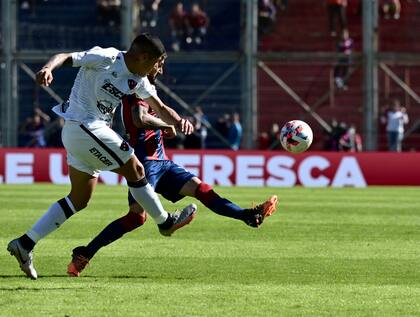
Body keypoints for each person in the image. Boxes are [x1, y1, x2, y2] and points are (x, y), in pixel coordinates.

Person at [7, 33, 197, 280]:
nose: (157, 68)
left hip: (82, 135)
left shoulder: (138, 79)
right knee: (136, 169)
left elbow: (160, 107)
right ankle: (165, 222)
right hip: (84, 125)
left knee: (79, 198)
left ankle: (25, 243)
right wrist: (47, 68)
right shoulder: (106, 57)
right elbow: (65, 56)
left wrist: (179, 121)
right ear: (143, 57)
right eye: (156, 62)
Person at [66, 59, 279, 277]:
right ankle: (85, 254)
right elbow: (139, 119)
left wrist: (167, 125)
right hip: (144, 163)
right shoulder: (137, 86)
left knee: (201, 189)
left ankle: (247, 215)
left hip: (161, 161)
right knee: (136, 217)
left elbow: (149, 117)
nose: (161, 68)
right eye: (158, 63)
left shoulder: (147, 89)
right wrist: (167, 124)